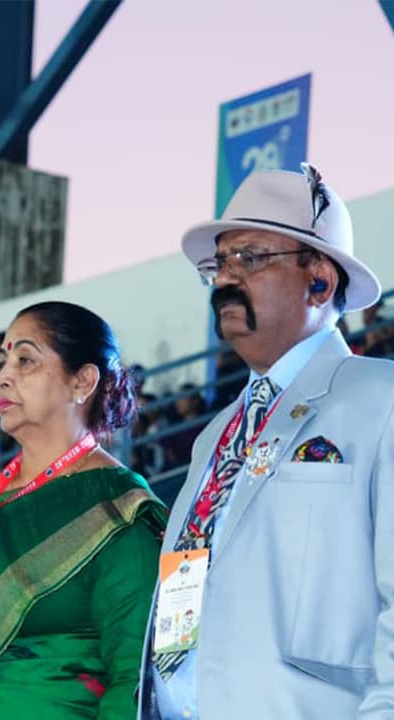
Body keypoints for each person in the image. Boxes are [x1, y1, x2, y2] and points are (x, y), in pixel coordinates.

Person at [141, 164, 391, 718]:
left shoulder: (382, 398)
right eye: (219, 264)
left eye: (249, 258)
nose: (226, 279)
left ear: (320, 280)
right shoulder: (216, 435)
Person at [0, 301, 166, 719]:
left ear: (83, 381)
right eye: (3, 360)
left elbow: (135, 676)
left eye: (25, 360)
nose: (2, 377)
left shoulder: (122, 514)